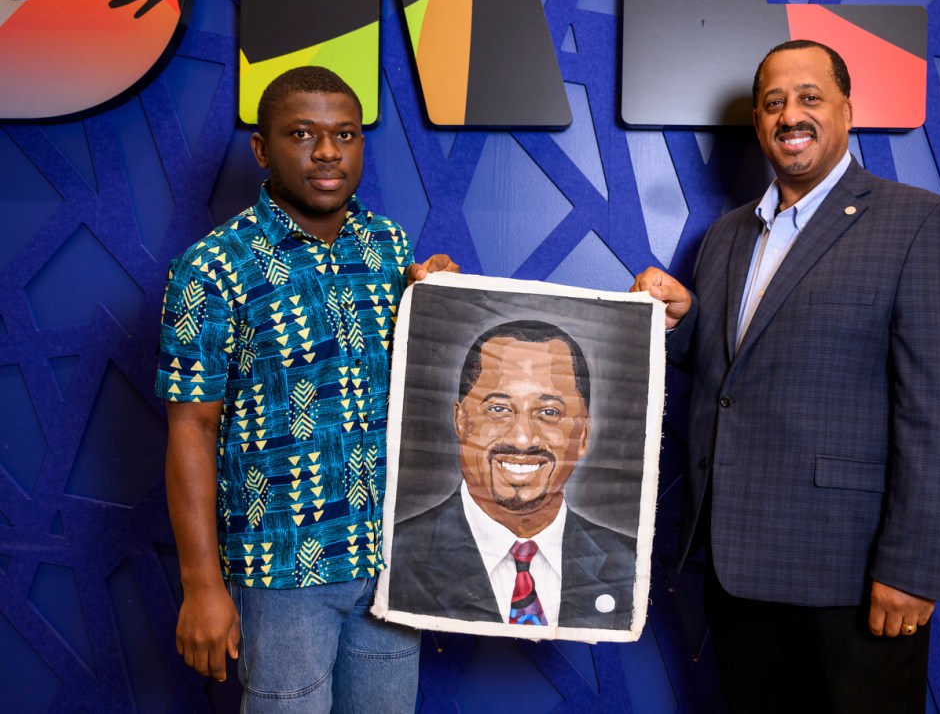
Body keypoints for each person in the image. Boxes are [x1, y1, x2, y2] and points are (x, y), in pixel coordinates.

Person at [631, 40, 940, 712]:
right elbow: (735, 374)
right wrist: (684, 324)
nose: (789, 114)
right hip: (736, 567)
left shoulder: (918, 223)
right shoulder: (728, 235)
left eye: (809, 97)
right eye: (773, 103)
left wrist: (911, 567)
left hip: (853, 577)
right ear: (760, 123)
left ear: (848, 111)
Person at [155, 65, 457, 712]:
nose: (327, 152)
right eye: (303, 134)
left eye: (346, 134)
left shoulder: (387, 247)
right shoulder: (211, 267)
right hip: (281, 569)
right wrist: (201, 583)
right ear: (263, 150)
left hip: (384, 565)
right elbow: (192, 427)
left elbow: (420, 389)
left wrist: (442, 305)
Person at [388, 320, 635, 630]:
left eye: (549, 413)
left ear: (583, 435)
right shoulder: (392, 558)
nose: (522, 439)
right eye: (499, 409)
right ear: (461, 421)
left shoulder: (629, 567)